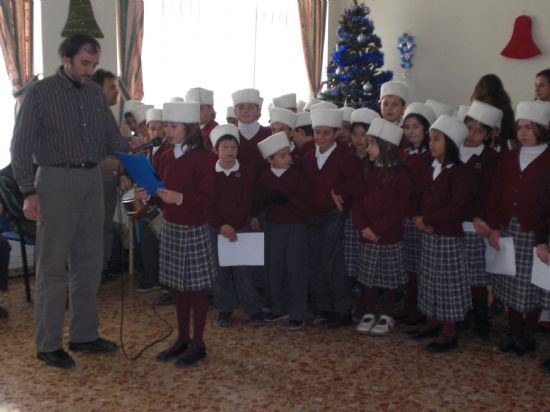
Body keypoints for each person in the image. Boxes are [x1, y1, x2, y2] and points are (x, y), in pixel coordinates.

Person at [10, 33, 123, 369]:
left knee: (89, 262)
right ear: (67, 59)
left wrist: (137, 148)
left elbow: (110, 136)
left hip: (92, 178)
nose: (90, 70)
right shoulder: (40, 95)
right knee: (53, 266)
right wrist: (28, 191)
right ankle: (47, 344)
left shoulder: (93, 93)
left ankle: (84, 334)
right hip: (55, 181)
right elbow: (19, 146)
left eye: (94, 64)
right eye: (84, 63)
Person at [138, 101, 216, 368]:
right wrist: (148, 194)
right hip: (171, 226)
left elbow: (206, 199)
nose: (168, 131)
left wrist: (180, 198)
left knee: (196, 288)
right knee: (179, 286)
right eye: (167, 126)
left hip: (193, 227)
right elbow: (160, 192)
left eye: (173, 126)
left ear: (189, 128)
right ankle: (182, 338)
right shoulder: (164, 156)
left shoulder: (202, 158)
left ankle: (199, 342)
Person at [484, 101, 550, 356]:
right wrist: (493, 225)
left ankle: (527, 334)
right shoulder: (510, 157)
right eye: (520, 127)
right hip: (508, 227)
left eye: (529, 128)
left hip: (535, 232)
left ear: (542, 129)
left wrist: (543, 238)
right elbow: (496, 191)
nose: (522, 133)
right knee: (510, 281)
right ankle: (512, 331)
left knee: (533, 285)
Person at [410, 115, 471, 353]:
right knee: (430, 280)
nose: (431, 144)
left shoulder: (460, 172)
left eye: (436, 139)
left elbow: (456, 208)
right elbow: (417, 194)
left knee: (448, 283)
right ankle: (432, 320)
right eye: (430, 139)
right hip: (428, 234)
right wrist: (418, 217)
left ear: (451, 143)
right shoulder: (430, 166)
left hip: (447, 235)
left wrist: (428, 219)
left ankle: (449, 330)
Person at [303, 108, 363, 328]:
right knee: (315, 262)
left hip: (332, 215)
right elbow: (306, 186)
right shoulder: (309, 157)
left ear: (335, 133)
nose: (321, 137)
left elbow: (356, 182)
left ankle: (341, 308)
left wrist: (336, 190)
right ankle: (323, 307)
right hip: (312, 215)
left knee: (332, 262)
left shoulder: (344, 156)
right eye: (317, 132)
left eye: (326, 133)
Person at [353, 118, 411, 335]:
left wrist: (378, 229)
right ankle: (369, 311)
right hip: (367, 235)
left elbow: (398, 209)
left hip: (388, 236)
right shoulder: (367, 170)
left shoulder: (400, 175)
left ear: (387, 147)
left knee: (388, 278)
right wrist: (364, 227)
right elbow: (358, 202)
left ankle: (387, 314)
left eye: (372, 144)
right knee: (367, 277)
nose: (367, 148)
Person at [207, 124, 262, 327]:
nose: (230, 151)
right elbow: (208, 203)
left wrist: (234, 225)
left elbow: (246, 201)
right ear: (216, 150)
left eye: (233, 147)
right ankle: (224, 308)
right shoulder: (209, 173)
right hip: (215, 228)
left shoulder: (245, 173)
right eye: (225, 147)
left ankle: (253, 308)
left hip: (240, 228)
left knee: (243, 270)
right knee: (219, 270)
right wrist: (222, 225)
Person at [256, 132, 310, 330]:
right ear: (270, 159)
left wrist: (289, 200)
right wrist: (265, 205)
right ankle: (278, 307)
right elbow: (259, 201)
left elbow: (306, 202)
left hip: (295, 226)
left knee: (295, 268)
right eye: (283, 156)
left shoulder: (297, 176)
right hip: (273, 226)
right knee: (274, 268)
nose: (289, 159)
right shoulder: (264, 178)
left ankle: (297, 311)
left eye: (288, 154)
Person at [459, 101, 501, 341]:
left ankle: (481, 320)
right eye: (469, 128)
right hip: (454, 222)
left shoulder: (490, 158)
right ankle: (461, 315)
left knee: (476, 276)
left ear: (487, 135)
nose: (472, 134)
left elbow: (488, 192)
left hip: (475, 225)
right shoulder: (454, 149)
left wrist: (479, 216)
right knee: (458, 274)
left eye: (479, 131)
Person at [398, 102, 435, 326]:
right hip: (403, 215)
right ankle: (411, 306)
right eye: (407, 127)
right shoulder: (401, 154)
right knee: (409, 266)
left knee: (422, 267)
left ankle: (422, 309)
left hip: (421, 216)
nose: (411, 131)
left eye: (416, 127)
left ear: (425, 129)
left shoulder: (430, 156)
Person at [92, 69, 122, 283]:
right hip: (97, 180)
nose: (116, 91)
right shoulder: (92, 116)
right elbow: (94, 155)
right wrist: (123, 165)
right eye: (112, 87)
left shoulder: (105, 114)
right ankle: (95, 270)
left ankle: (102, 267)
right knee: (96, 227)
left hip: (109, 179)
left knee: (106, 226)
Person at [470, 74, 515, 151]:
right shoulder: (507, 109)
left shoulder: (479, 109)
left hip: (482, 152)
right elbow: (512, 136)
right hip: (502, 151)